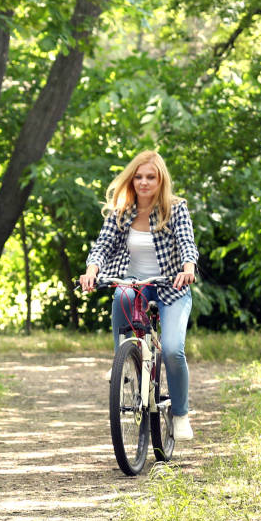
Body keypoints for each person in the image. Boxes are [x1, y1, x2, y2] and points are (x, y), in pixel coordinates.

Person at [79, 150, 198, 440]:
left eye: (151, 177)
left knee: (171, 349)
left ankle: (180, 413)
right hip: (134, 282)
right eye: (139, 177)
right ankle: (125, 361)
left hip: (171, 284)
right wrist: (92, 270)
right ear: (132, 180)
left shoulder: (175, 208)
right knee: (121, 295)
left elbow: (186, 243)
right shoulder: (122, 211)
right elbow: (103, 246)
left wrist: (188, 268)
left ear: (161, 180)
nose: (144, 182)